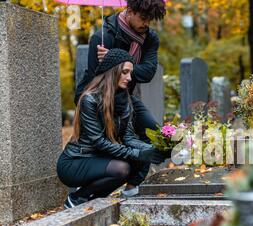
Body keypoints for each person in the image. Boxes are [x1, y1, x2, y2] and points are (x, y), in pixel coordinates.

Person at [75, 0, 166, 197]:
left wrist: (117, 58)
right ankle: (85, 189)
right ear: (130, 11)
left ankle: (132, 187)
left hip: (125, 97)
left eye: (150, 19)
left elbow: (148, 73)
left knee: (155, 133)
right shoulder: (102, 37)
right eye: (143, 18)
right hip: (96, 97)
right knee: (104, 142)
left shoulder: (150, 38)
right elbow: (94, 80)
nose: (146, 24)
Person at [57, 49, 170, 209]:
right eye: (125, 72)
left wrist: (153, 150)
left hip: (100, 159)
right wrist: (139, 153)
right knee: (122, 168)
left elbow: (128, 138)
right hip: (76, 162)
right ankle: (77, 198)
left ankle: (93, 201)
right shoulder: (89, 100)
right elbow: (98, 142)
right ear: (112, 71)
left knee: (138, 160)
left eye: (130, 73)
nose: (129, 78)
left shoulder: (125, 100)